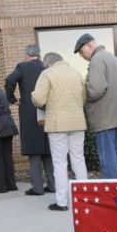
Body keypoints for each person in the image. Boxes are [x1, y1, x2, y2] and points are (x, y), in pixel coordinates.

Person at [31, 52, 88, 211]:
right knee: (78, 158)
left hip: (57, 124)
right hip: (77, 122)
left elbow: (39, 99)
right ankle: (84, 199)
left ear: (48, 63)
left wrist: (33, 96)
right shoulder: (76, 73)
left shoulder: (47, 73)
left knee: (60, 163)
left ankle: (62, 202)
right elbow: (84, 98)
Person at [74, 33, 117, 179]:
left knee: (107, 156)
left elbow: (95, 90)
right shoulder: (113, 58)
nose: (82, 56)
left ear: (89, 46)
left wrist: (83, 89)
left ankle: (114, 192)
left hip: (105, 117)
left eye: (82, 52)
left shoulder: (96, 60)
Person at [5, 44, 55, 195]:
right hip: (49, 112)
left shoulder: (22, 67)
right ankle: (53, 186)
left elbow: (9, 81)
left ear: (27, 55)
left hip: (29, 113)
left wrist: (12, 99)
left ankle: (37, 188)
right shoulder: (47, 67)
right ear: (39, 55)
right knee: (48, 151)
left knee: (34, 152)